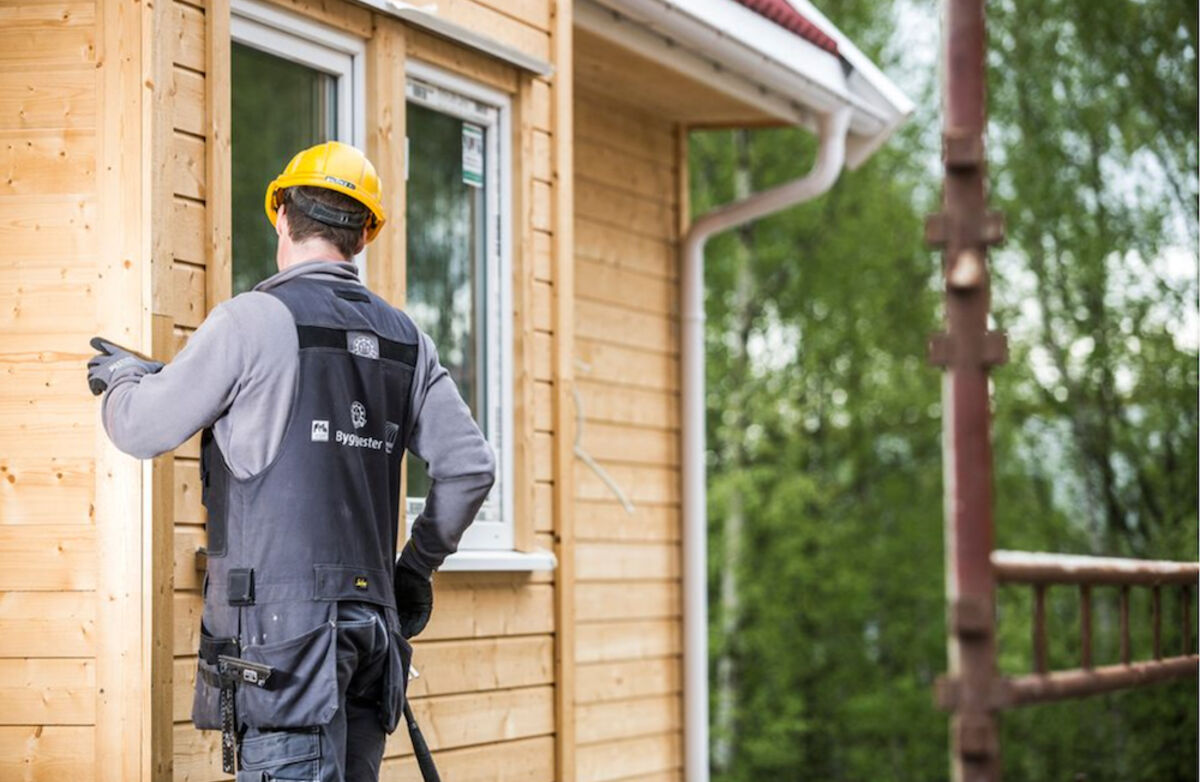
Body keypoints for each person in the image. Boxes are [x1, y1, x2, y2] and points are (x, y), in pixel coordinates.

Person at [85, 141, 495, 782]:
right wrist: (413, 571)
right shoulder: (406, 341)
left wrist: (121, 382)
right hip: (370, 638)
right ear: (362, 236)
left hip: (284, 648)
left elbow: (141, 428)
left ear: (281, 216)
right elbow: (471, 466)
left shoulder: (251, 322)